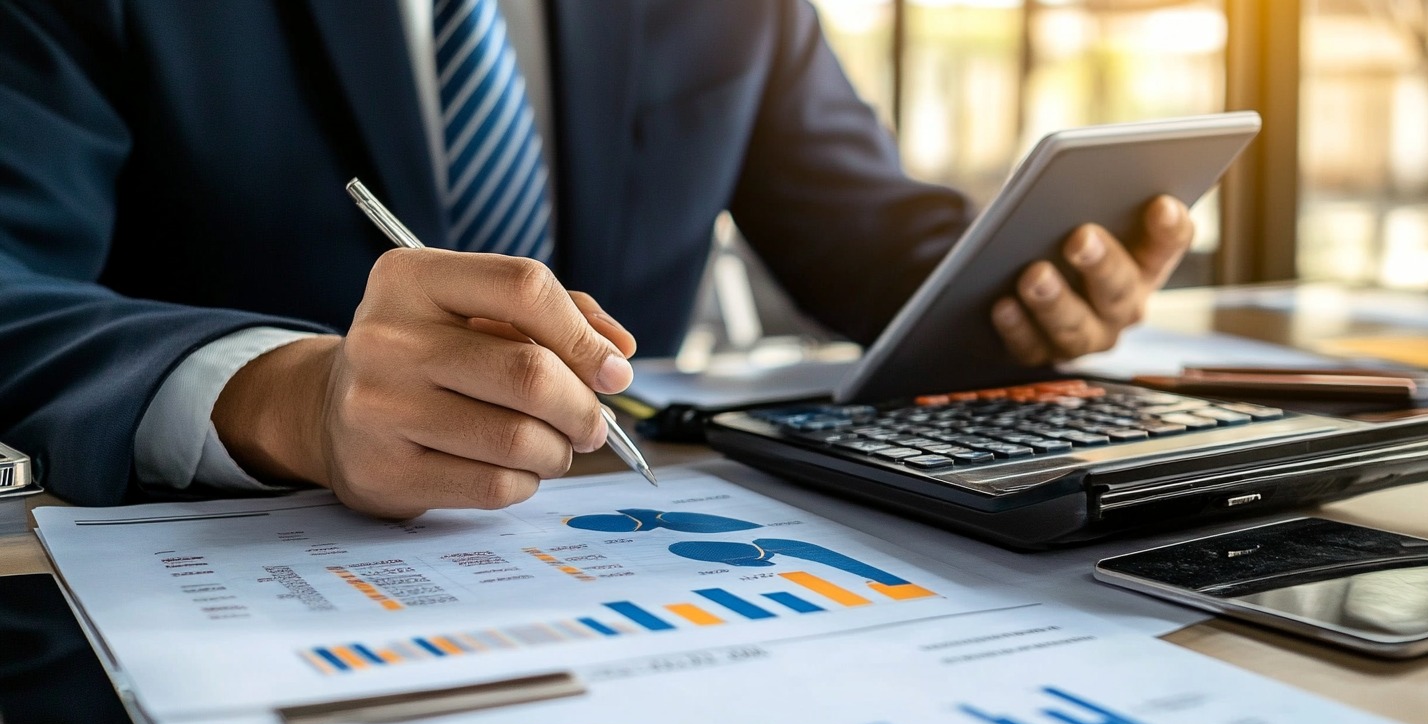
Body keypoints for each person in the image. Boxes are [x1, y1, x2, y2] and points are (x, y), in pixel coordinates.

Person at [0, 0, 1192, 517]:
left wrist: (1030, 280)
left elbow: (862, 233)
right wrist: (292, 398)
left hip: (631, 534)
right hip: (257, 569)